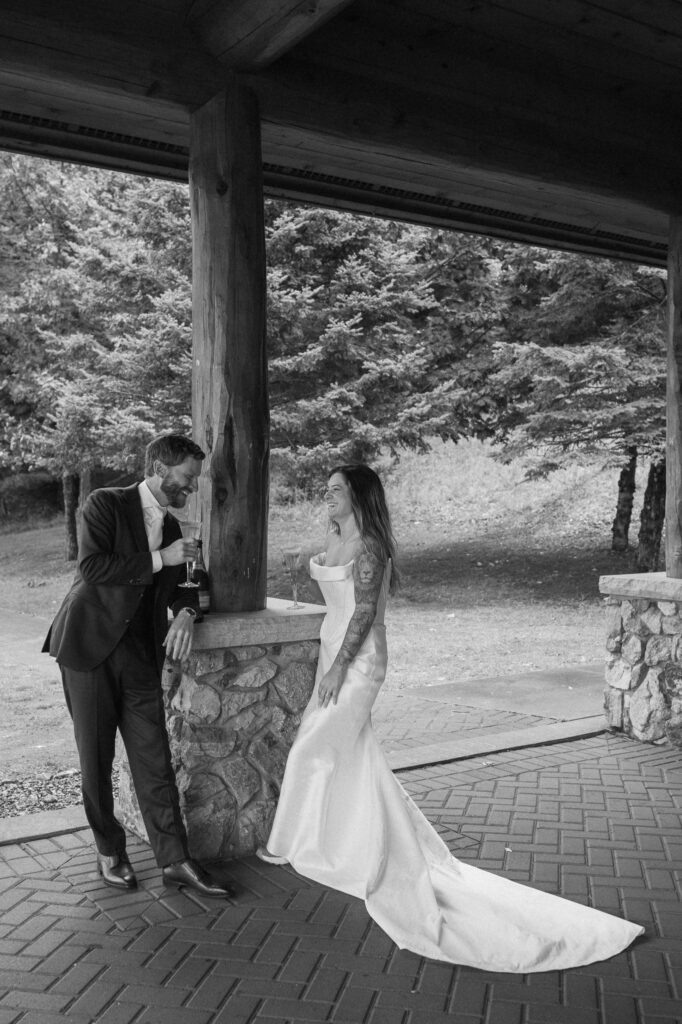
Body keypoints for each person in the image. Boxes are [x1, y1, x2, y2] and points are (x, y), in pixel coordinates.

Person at [257, 463, 643, 972]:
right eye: (325, 489)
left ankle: (300, 842)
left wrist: (339, 671)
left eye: (335, 490)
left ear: (358, 496)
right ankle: (335, 838)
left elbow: (365, 613)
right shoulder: (336, 537)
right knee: (349, 754)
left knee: (312, 746)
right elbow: (333, 597)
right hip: (332, 651)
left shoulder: (370, 546)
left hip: (358, 659)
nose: (325, 496)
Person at [43, 433, 234, 899]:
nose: (191, 488)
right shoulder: (104, 503)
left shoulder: (172, 527)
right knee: (96, 759)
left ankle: (175, 860)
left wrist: (188, 611)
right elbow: (93, 568)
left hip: (139, 655)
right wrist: (158, 559)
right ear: (159, 468)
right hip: (88, 649)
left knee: (155, 759)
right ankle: (111, 852)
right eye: (187, 479)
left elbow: (186, 584)